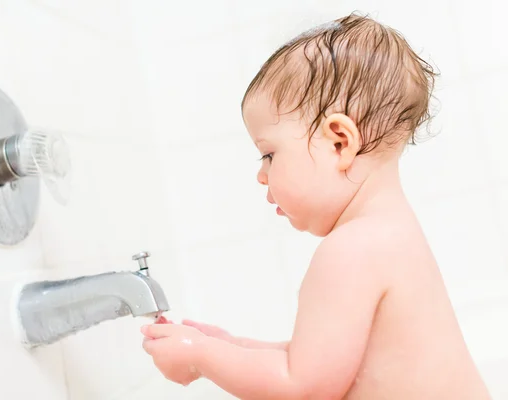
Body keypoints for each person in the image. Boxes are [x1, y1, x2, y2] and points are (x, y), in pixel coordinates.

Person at [141, 12, 491, 399]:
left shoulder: (351, 250)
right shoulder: (389, 233)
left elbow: (304, 388)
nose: (261, 175)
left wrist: (201, 357)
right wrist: (231, 347)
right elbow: (322, 363)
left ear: (340, 142)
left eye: (269, 154)